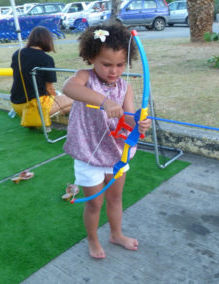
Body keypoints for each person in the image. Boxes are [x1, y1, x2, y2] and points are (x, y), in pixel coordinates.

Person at [62, 23, 151, 259]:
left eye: (120, 65)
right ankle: (92, 239)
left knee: (115, 198)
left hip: (115, 154)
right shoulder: (84, 78)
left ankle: (116, 234)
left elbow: (129, 117)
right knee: (94, 203)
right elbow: (68, 87)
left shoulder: (125, 87)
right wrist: (104, 101)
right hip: (88, 153)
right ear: (92, 57)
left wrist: (139, 124)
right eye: (107, 64)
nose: (114, 71)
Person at [10, 26, 57, 119]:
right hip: (34, 106)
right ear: (48, 40)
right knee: (73, 101)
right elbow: (49, 88)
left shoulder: (17, 54)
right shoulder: (47, 59)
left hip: (16, 105)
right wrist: (56, 99)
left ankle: (32, 122)